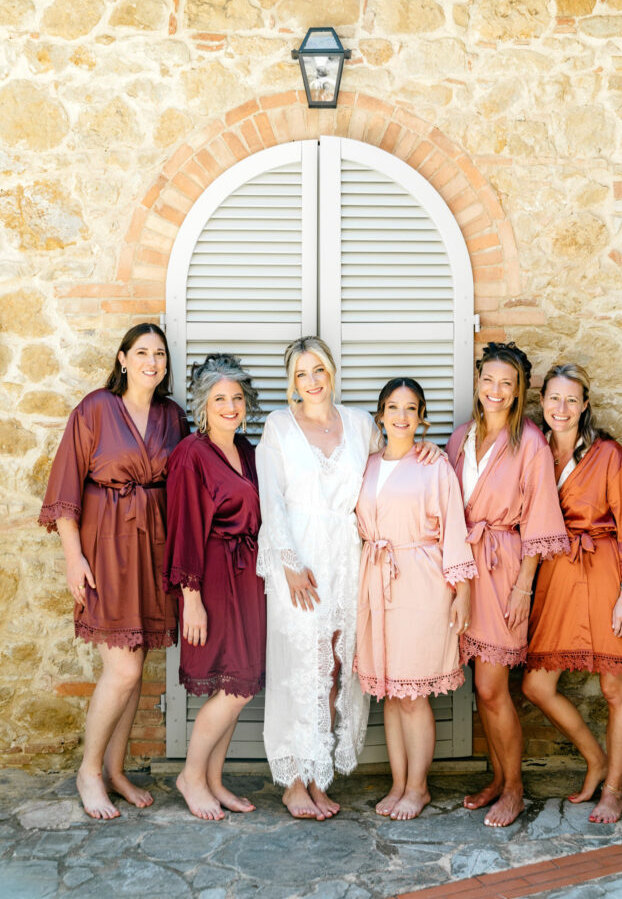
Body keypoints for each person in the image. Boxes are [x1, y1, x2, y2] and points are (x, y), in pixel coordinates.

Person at [256, 336, 442, 820]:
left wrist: (425, 450)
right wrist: (290, 563)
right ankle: (295, 782)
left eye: (318, 369)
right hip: (299, 563)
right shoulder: (278, 427)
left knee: (336, 671)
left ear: (331, 372)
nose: (312, 381)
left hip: (349, 560)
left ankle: (320, 776)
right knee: (299, 668)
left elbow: (393, 463)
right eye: (301, 374)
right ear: (291, 383)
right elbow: (270, 500)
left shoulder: (361, 423)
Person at [39, 323, 188, 820]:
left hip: (154, 550)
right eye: (142, 352)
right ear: (123, 359)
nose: (152, 361)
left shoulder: (172, 417)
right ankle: (88, 771)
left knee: (137, 665)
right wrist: (72, 556)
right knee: (121, 668)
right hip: (105, 550)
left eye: (159, 354)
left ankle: (117, 770)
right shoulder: (96, 408)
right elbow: (65, 484)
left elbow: (190, 479)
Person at [523, 362, 622, 825]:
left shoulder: (608, 454)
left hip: (605, 571)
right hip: (557, 575)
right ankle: (595, 758)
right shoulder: (534, 449)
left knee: (613, 687)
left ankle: (615, 789)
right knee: (536, 685)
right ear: (542, 402)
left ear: (585, 405)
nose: (561, 408)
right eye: (553, 398)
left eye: (571, 399)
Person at [445, 341, 569, 828]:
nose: (495, 391)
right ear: (478, 382)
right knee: (482, 688)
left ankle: (515, 789)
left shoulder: (531, 444)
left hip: (504, 571)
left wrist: (524, 588)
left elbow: (540, 522)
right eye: (488, 380)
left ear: (519, 393)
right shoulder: (459, 439)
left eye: (507, 384)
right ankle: (498, 777)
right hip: (464, 573)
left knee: (493, 687)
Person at [355, 378, 477, 821]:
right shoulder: (364, 464)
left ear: (421, 415)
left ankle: (419, 787)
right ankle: (398, 783)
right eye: (392, 407)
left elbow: (455, 533)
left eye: (410, 408)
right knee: (390, 693)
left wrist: (462, 591)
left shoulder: (434, 466)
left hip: (422, 584)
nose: (401, 416)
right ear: (381, 413)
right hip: (376, 584)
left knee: (413, 695)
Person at [164, 354, 265, 821]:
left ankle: (215, 780)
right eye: (219, 398)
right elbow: (183, 528)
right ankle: (191, 776)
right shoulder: (191, 454)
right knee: (234, 689)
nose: (229, 406)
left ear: (247, 403)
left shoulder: (245, 450)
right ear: (204, 403)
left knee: (238, 681)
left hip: (247, 577)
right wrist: (192, 599)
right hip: (213, 579)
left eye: (236, 398)